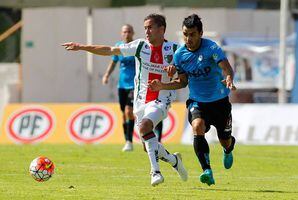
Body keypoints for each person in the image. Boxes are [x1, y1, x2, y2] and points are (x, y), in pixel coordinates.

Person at [62, 13, 188, 187]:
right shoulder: (139, 46)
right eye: (145, 28)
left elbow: (183, 82)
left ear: (162, 29)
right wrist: (82, 47)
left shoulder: (175, 50)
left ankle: (155, 171)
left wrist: (166, 82)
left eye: (150, 27)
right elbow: (109, 50)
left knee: (145, 127)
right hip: (140, 101)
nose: (147, 31)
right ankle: (174, 160)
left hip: (161, 100)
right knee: (147, 145)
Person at [149, 14, 236, 186]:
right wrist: (162, 86)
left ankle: (228, 149)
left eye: (192, 34)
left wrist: (229, 78)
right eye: (185, 34)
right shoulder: (180, 55)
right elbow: (182, 82)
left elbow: (226, 68)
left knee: (224, 140)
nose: (188, 38)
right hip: (197, 102)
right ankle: (207, 170)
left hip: (220, 102)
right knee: (197, 127)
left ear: (201, 33)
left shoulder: (211, 48)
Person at [102, 24, 136, 152]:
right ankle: (127, 139)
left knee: (129, 111)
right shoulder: (119, 46)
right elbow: (113, 62)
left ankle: (129, 141)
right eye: (124, 32)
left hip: (134, 84)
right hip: (121, 85)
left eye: (128, 31)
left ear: (133, 33)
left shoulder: (136, 46)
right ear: (121, 33)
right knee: (123, 114)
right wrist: (106, 75)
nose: (126, 34)